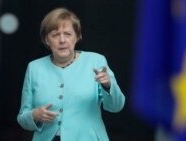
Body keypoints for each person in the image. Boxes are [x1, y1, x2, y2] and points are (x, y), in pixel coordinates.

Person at [17, 7, 125, 141]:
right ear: (46, 40)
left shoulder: (96, 61)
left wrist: (108, 85)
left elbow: (116, 107)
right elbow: (22, 118)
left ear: (77, 36)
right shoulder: (34, 67)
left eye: (67, 34)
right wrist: (34, 115)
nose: (62, 40)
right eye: (55, 35)